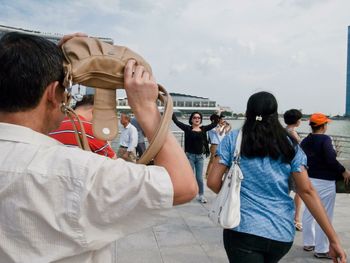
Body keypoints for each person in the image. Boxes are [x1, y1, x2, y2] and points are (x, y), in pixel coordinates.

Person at [0, 32, 198, 263]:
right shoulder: (78, 172)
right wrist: (146, 108)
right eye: (66, 90)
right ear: (54, 94)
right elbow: (183, 186)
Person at [207, 92, 347, 263]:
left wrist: (235, 194)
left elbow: (213, 182)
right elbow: (307, 191)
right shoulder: (289, 144)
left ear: (248, 111)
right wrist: (333, 240)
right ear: (275, 113)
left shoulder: (233, 139)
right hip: (280, 233)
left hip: (242, 230)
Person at [300, 113, 350, 259]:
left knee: (309, 212)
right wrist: (343, 170)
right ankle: (322, 249)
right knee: (326, 215)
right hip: (325, 182)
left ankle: (308, 242)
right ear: (323, 126)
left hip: (309, 179)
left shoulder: (306, 140)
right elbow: (330, 159)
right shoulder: (325, 139)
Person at [49, 94, 117, 159]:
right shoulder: (92, 130)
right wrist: (107, 140)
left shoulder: (52, 126)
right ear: (95, 111)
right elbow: (112, 162)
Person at [172, 112, 219, 203]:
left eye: (199, 117)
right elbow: (176, 121)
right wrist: (171, 111)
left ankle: (201, 195)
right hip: (190, 157)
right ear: (191, 119)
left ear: (200, 119)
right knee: (189, 176)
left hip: (200, 157)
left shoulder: (204, 129)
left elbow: (214, 123)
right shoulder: (187, 128)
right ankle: (186, 193)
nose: (197, 119)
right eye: (195, 117)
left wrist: (217, 114)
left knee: (199, 178)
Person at [283, 109, 303, 231]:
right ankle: (296, 219)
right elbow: (300, 150)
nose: (300, 121)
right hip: (293, 167)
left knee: (285, 192)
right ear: (296, 121)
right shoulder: (292, 133)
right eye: (300, 119)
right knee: (299, 192)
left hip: (284, 165)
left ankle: (285, 217)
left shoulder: (283, 131)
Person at [205, 113, 231, 177]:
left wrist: (226, 126)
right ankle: (207, 174)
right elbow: (218, 132)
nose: (219, 120)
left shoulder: (218, 126)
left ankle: (217, 173)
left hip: (220, 145)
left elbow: (224, 133)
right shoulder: (211, 127)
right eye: (218, 119)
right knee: (212, 160)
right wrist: (222, 126)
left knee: (220, 160)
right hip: (214, 145)